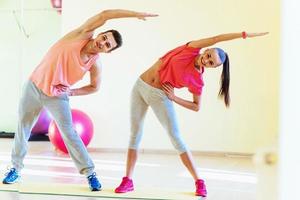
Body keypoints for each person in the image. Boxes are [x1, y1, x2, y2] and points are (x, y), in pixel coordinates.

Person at [2, 9, 157, 191]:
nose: (103, 43)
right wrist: (135, 14)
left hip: (57, 95)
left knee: (70, 134)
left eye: (108, 45)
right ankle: (15, 168)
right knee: (23, 126)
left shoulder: (95, 64)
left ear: (108, 51)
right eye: (104, 38)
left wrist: (71, 92)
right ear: (99, 34)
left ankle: (90, 173)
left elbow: (95, 87)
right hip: (34, 85)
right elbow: (105, 15)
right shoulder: (81, 34)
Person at [114, 31, 268, 197]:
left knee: (176, 138)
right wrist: (243, 35)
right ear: (206, 49)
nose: (207, 60)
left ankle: (199, 181)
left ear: (213, 67)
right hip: (140, 86)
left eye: (211, 62)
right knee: (135, 134)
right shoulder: (191, 49)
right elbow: (217, 38)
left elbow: (196, 106)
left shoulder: (197, 79)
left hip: (160, 96)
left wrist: (174, 97)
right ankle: (127, 180)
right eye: (209, 55)